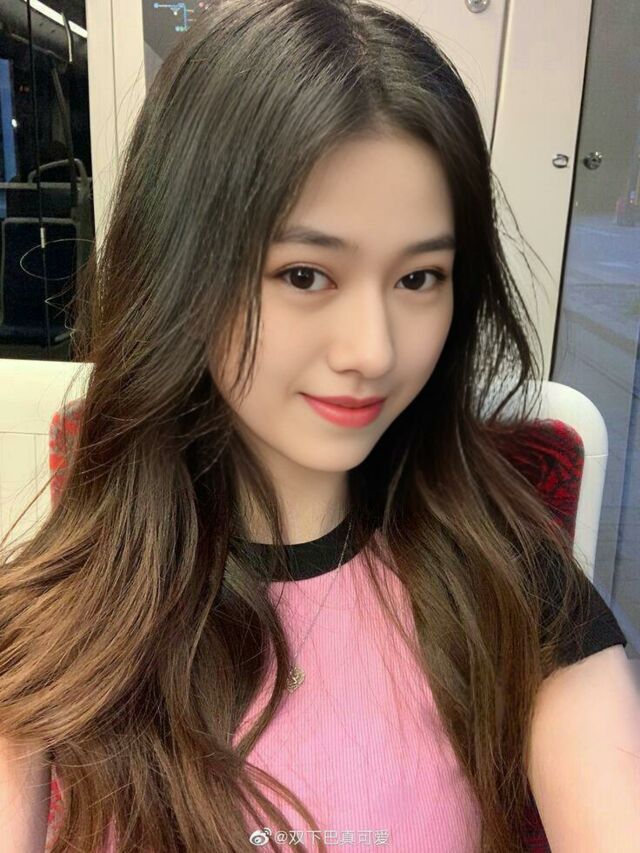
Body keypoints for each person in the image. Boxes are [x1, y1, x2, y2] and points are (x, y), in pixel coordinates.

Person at [0, 1, 638, 851]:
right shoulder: (54, 625)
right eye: (305, 274)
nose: (372, 350)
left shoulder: (516, 587)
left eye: (419, 278)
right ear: (181, 271)